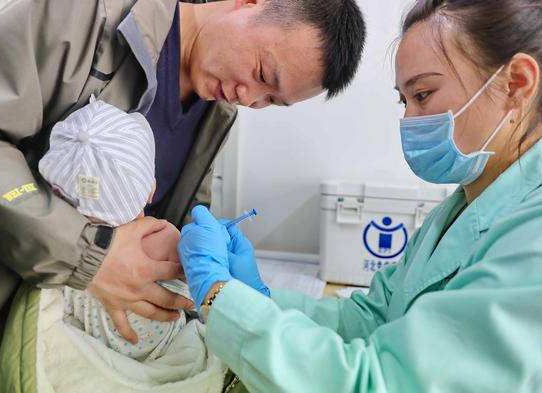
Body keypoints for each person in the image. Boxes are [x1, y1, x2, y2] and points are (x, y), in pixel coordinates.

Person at [178, 0, 542, 391]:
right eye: (404, 101)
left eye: (423, 94)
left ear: (516, 83)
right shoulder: (457, 212)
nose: (408, 122)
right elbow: (368, 321)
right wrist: (255, 296)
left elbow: (378, 382)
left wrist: (220, 297)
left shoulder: (532, 236)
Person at [0, 0, 366, 363]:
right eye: (264, 74)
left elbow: (170, 219)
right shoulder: (84, 14)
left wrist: (197, 259)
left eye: (271, 101)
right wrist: (87, 254)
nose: (248, 98)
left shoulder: (215, 115)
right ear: (249, 2)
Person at [39, 97, 194, 361]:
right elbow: (202, 292)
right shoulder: (158, 238)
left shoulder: (51, 254)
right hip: (167, 350)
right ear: (151, 190)